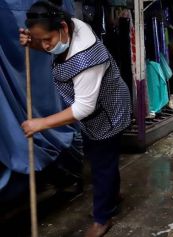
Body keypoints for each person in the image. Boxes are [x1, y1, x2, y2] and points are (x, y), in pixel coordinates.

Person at [19, 1, 131, 236]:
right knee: (105, 160)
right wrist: (34, 43)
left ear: (63, 28)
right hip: (97, 110)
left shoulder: (86, 58)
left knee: (101, 164)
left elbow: (82, 109)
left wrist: (41, 123)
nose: (46, 45)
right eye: (41, 40)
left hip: (108, 113)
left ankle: (103, 218)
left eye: (47, 39)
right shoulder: (70, 26)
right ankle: (113, 194)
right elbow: (52, 44)